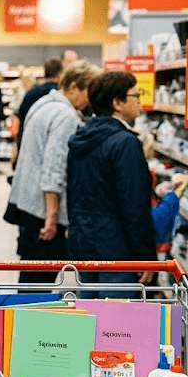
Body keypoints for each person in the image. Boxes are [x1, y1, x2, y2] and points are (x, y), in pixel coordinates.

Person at [7, 60, 101, 284]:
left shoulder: (43, 104)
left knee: (30, 276)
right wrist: (52, 216)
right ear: (74, 86)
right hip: (43, 210)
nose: (90, 100)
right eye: (88, 92)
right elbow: (54, 167)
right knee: (40, 280)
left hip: (26, 203)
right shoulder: (65, 116)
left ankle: (24, 308)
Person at [65, 70, 156, 298]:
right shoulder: (125, 143)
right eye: (135, 95)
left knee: (88, 317)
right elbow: (134, 206)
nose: (139, 101)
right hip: (117, 253)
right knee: (115, 320)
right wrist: (146, 256)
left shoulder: (81, 138)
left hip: (84, 246)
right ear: (117, 103)